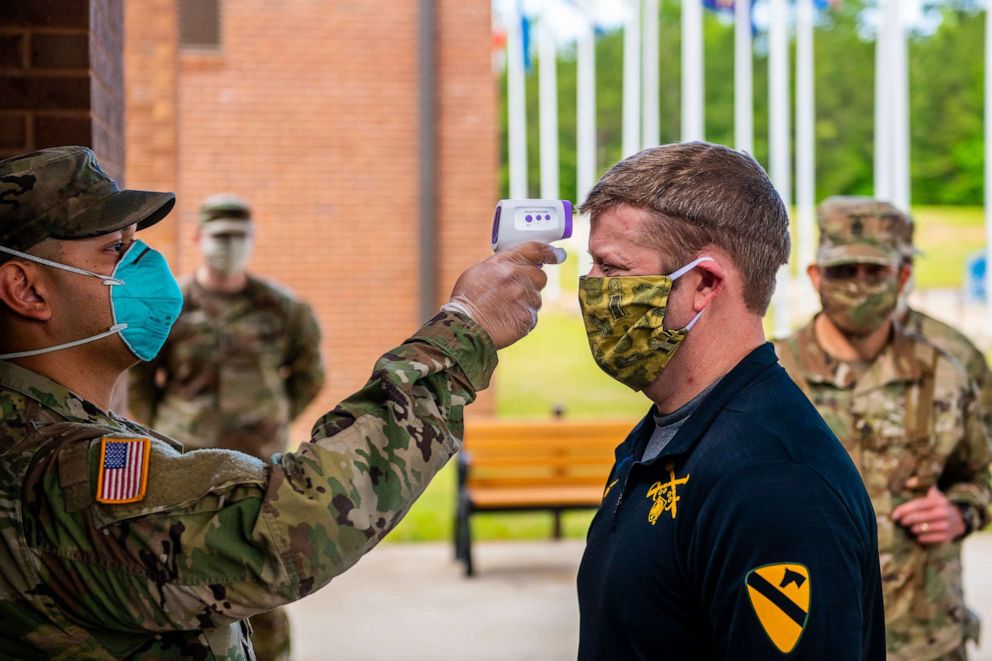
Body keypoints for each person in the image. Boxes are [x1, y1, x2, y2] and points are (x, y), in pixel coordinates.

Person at [0, 145, 561, 658]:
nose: (141, 264)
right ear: (27, 290)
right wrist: (464, 329)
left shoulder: (55, 427)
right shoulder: (56, 470)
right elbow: (297, 523)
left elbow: (304, 374)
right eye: (115, 249)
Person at [575, 143, 885, 659]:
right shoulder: (669, 434)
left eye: (613, 268)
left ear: (704, 283)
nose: (591, 288)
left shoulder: (772, 481)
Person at [774, 196, 991, 660]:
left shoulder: (945, 373)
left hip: (924, 637)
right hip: (805, 635)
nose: (859, 287)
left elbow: (983, 470)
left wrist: (962, 511)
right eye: (843, 272)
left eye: (874, 273)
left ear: (903, 277)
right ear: (815, 277)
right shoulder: (770, 377)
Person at [127, 195, 325, 660]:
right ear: (198, 238)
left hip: (259, 465)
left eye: (238, 238)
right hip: (185, 464)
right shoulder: (171, 306)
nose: (229, 246)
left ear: (252, 241)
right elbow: (137, 376)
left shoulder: (282, 308)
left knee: (264, 571)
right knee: (185, 571)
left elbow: (308, 374)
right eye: (219, 237)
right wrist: (161, 428)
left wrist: (271, 417)